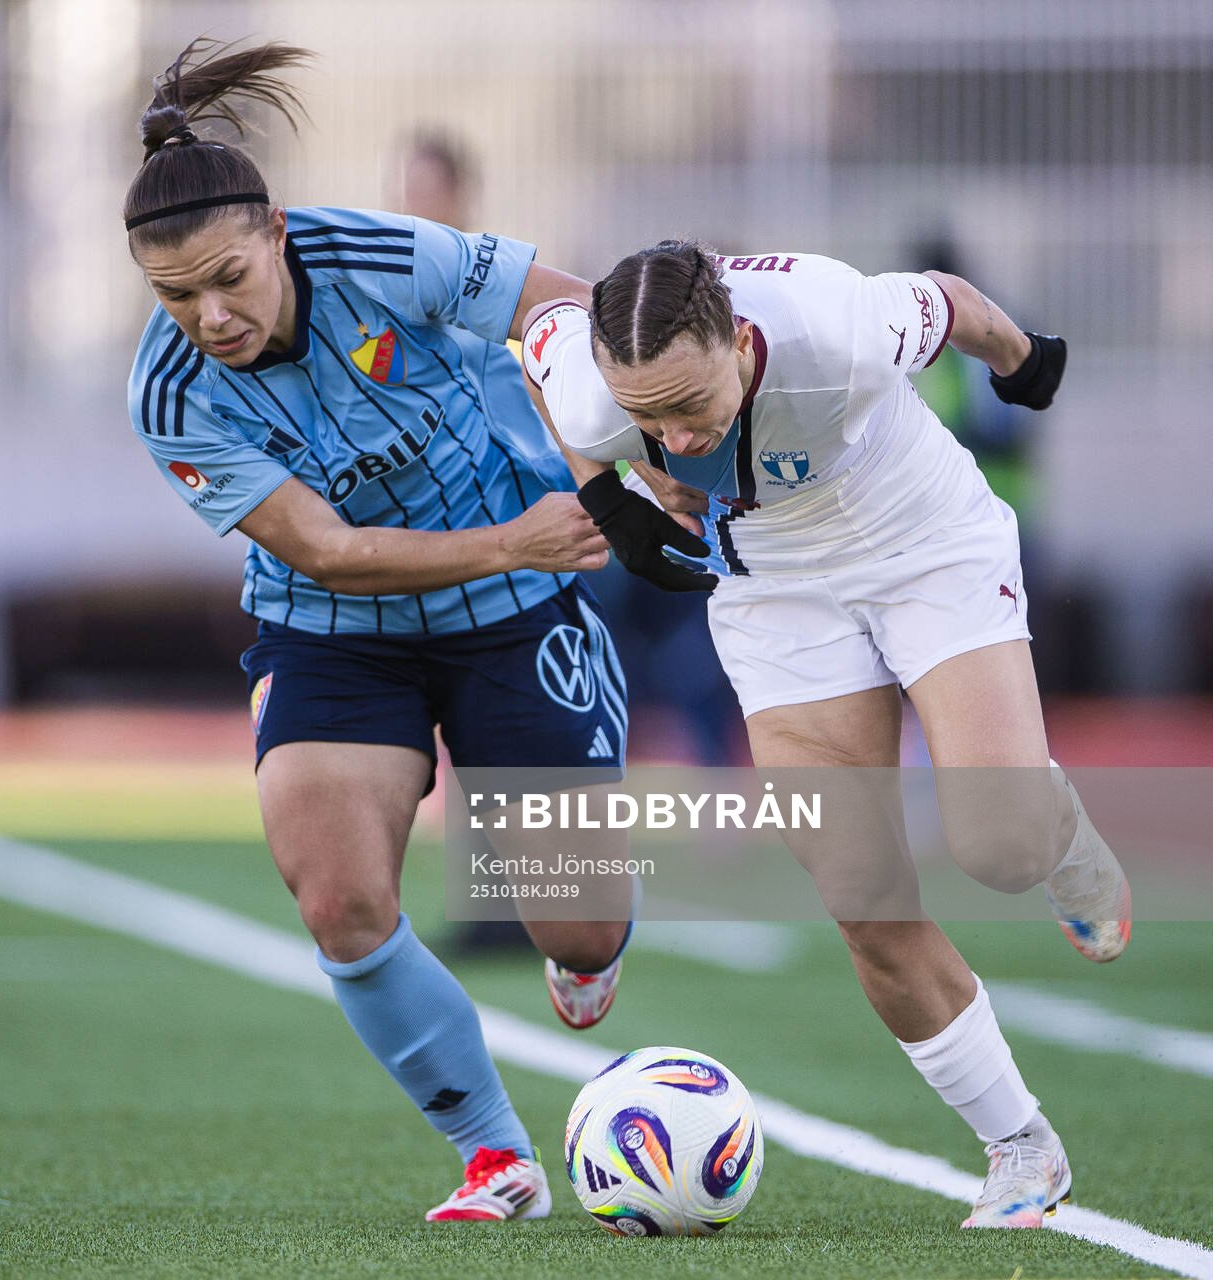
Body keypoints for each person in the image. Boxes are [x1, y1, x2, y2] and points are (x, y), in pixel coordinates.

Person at [122, 38, 645, 1222]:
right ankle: (494, 1154)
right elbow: (325, 550)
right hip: (333, 626)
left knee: (578, 920)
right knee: (337, 896)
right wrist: (517, 539)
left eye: (228, 278)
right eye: (174, 296)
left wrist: (605, 463)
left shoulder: (384, 252)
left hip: (512, 612)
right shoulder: (170, 393)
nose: (210, 316)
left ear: (278, 231)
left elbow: (565, 305)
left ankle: (589, 945)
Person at [520, 240, 1132, 1229]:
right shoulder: (595, 384)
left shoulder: (832, 323)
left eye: (691, 405)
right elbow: (540, 361)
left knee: (1000, 846)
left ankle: (1050, 822)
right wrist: (606, 495)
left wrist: (1023, 359)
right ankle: (1020, 1144)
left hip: (922, 540)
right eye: (648, 418)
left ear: (742, 341)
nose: (674, 438)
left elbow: (954, 302)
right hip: (776, 590)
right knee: (860, 894)